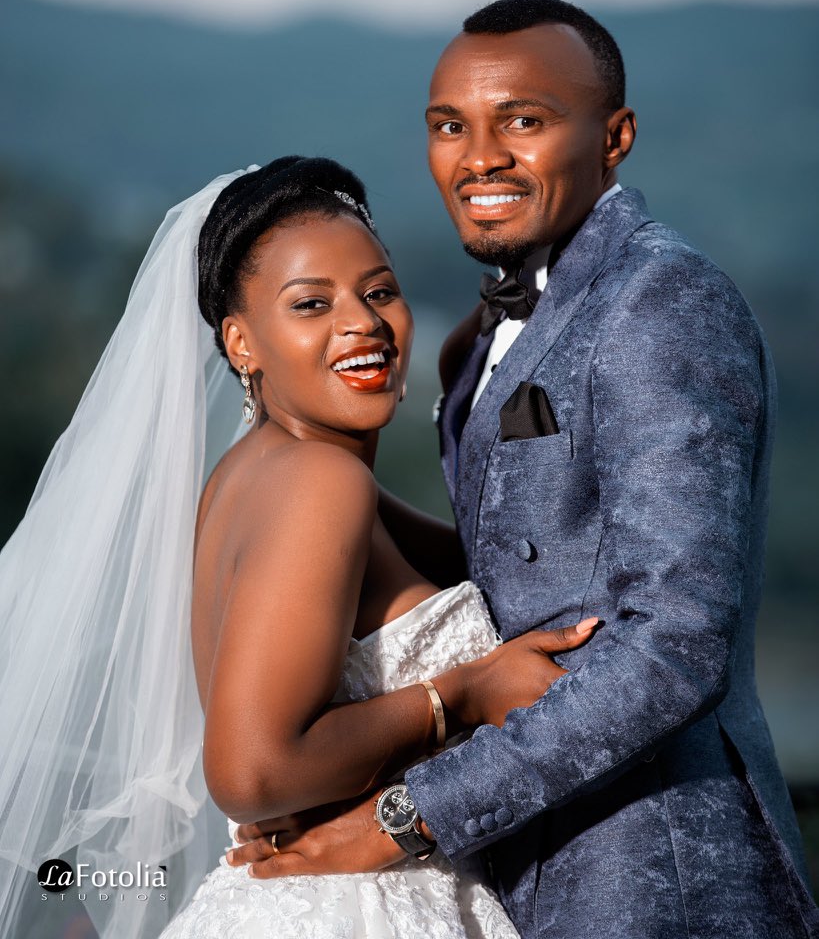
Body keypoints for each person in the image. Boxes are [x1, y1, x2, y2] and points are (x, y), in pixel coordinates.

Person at [228, 0, 819, 938]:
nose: (480, 157)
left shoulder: (660, 302)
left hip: (650, 875)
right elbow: (511, 569)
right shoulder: (474, 343)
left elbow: (674, 643)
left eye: (523, 121)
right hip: (511, 868)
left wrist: (405, 818)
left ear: (614, 138)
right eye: (449, 127)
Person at [0, 154, 599, 939]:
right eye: (311, 303)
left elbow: (504, 575)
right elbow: (253, 771)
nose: (362, 323)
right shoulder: (319, 482)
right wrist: (459, 696)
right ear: (241, 343)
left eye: (378, 292)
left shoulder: (265, 472)